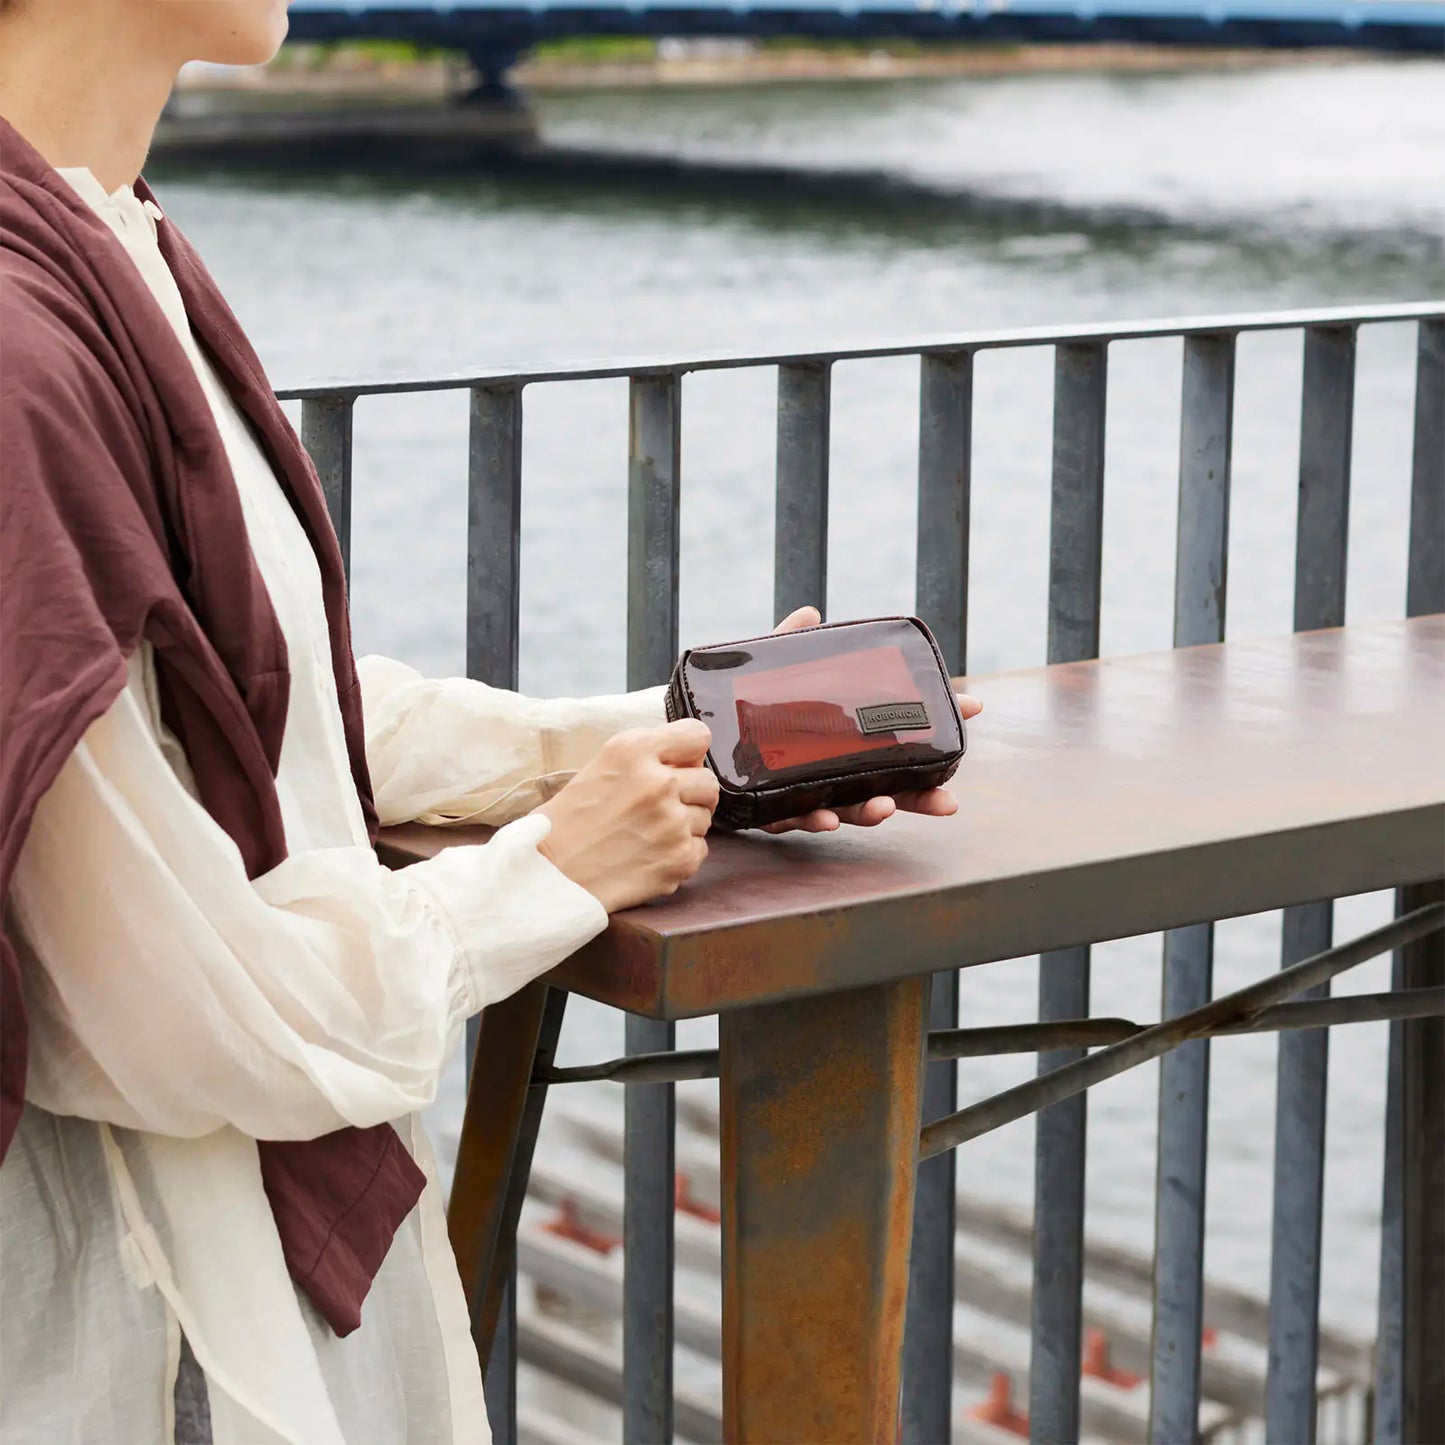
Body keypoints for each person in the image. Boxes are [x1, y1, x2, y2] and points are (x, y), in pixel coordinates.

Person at [0, 1, 983, 1440]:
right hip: (166, 1328)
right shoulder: (24, 345)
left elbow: (259, 701)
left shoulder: (109, 238)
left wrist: (654, 745)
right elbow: (183, 1013)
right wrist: (547, 873)